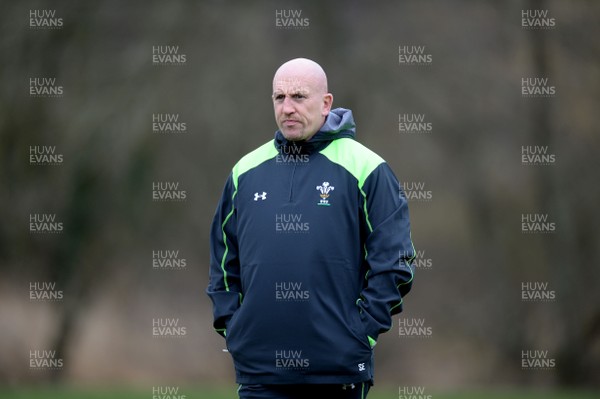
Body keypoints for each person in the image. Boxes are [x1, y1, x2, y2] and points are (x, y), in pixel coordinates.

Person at [207, 57, 416, 399]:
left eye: (299, 97)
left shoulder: (367, 168)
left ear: (326, 102)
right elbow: (223, 263)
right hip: (260, 371)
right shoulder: (245, 171)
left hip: (337, 370)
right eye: (279, 98)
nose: (287, 108)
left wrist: (359, 332)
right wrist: (235, 328)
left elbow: (395, 263)